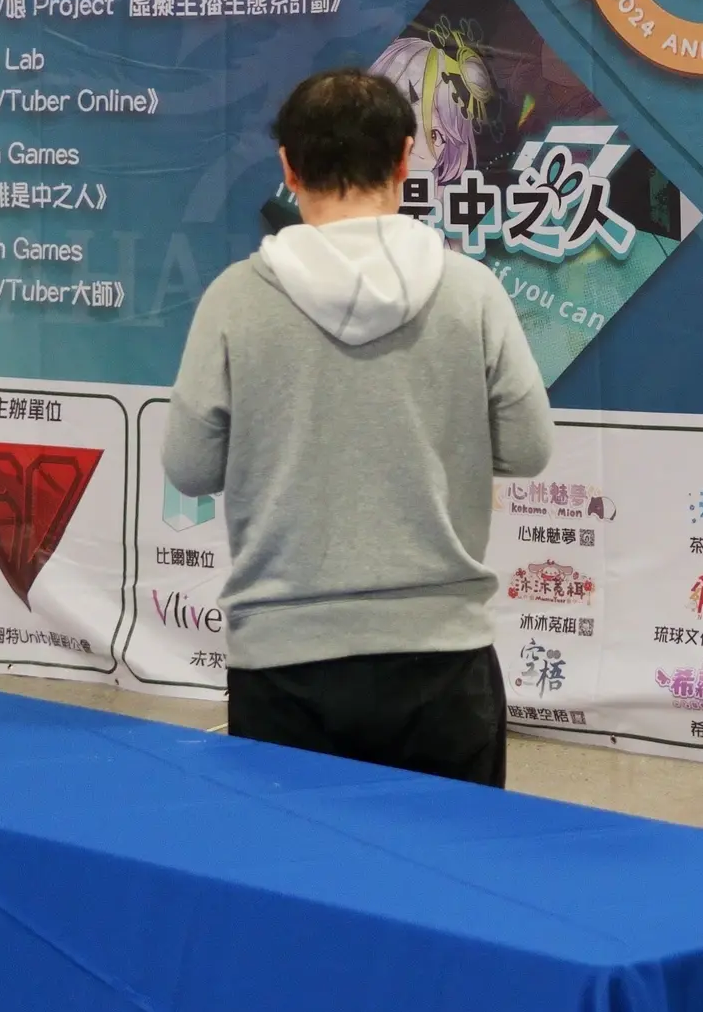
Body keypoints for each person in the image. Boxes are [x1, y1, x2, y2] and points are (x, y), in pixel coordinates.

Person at [163, 67, 553, 785]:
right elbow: (529, 448)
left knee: (301, 856)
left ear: (288, 167)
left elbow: (188, 467)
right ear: (406, 158)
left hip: (283, 659)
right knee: (446, 857)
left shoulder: (234, 299)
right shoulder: (471, 290)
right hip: (442, 656)